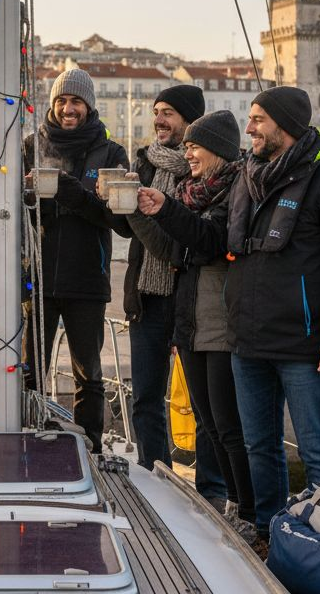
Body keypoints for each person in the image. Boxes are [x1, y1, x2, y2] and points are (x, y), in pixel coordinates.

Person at [224, 86, 320, 543]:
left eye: (258, 120)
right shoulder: (247, 177)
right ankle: (272, 531)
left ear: (284, 126)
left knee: (318, 451)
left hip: (305, 346)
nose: (248, 128)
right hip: (248, 341)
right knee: (259, 447)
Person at [137, 110, 258, 546]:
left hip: (221, 324)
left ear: (219, 151)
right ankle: (234, 505)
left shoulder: (236, 190)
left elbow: (210, 241)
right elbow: (180, 244)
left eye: (194, 146)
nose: (187, 153)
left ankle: (248, 510)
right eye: (186, 146)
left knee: (227, 426)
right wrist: (153, 211)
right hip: (190, 322)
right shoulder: (194, 192)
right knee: (208, 417)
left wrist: (165, 208)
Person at [22, 68, 130, 453]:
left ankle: (91, 447)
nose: (68, 109)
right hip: (37, 278)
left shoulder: (111, 153)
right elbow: (13, 213)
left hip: (87, 277)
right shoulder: (28, 147)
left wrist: (71, 193)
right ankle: (29, 440)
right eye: (62, 101)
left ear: (89, 106)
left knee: (89, 373)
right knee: (31, 372)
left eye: (76, 102)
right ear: (53, 103)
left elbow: (119, 221)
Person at [119, 83, 206, 471]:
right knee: (146, 397)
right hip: (147, 297)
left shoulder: (206, 171)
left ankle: (212, 488)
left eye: (168, 112)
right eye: (157, 111)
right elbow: (127, 233)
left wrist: (135, 210)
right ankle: (154, 473)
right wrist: (114, 199)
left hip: (191, 296)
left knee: (205, 403)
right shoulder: (144, 164)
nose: (158, 120)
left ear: (190, 120)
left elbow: (172, 246)